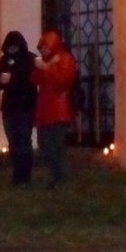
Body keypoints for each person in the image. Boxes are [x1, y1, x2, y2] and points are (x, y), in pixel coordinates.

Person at [0, 31, 38, 186]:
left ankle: (26, 176)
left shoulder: (30, 58)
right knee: (13, 142)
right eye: (9, 47)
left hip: (25, 106)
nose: (12, 50)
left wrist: (15, 78)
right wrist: (1, 80)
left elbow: (33, 79)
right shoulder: (4, 60)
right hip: (9, 108)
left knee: (24, 141)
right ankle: (17, 175)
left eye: (14, 47)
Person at [31, 30, 77, 188]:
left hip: (59, 111)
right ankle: (54, 176)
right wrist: (43, 66)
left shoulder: (65, 58)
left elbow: (63, 81)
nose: (43, 50)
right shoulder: (48, 60)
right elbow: (35, 79)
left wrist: (46, 67)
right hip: (45, 110)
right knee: (45, 144)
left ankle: (61, 178)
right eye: (41, 48)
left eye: (45, 47)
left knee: (57, 146)